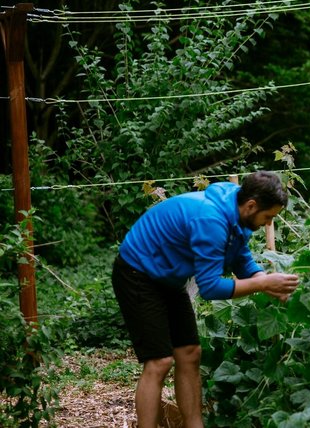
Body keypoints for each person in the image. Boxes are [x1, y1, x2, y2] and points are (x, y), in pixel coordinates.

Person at [112, 171, 300, 428]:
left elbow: (240, 257)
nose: (269, 223)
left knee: (189, 353)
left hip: (168, 276)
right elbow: (210, 287)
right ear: (251, 205)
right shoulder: (211, 219)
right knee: (159, 361)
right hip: (137, 271)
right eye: (268, 217)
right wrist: (261, 283)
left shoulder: (237, 214)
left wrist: (265, 282)